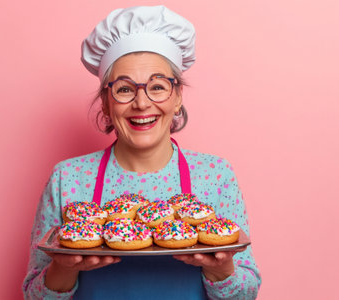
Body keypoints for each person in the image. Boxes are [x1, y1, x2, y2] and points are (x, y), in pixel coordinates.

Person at [23, 5, 261, 299]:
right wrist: (66, 267)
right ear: (106, 102)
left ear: (177, 97)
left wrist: (221, 269)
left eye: (158, 86)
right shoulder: (68, 178)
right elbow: (33, 295)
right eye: (124, 89)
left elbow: (246, 293)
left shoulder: (215, 175)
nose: (141, 103)